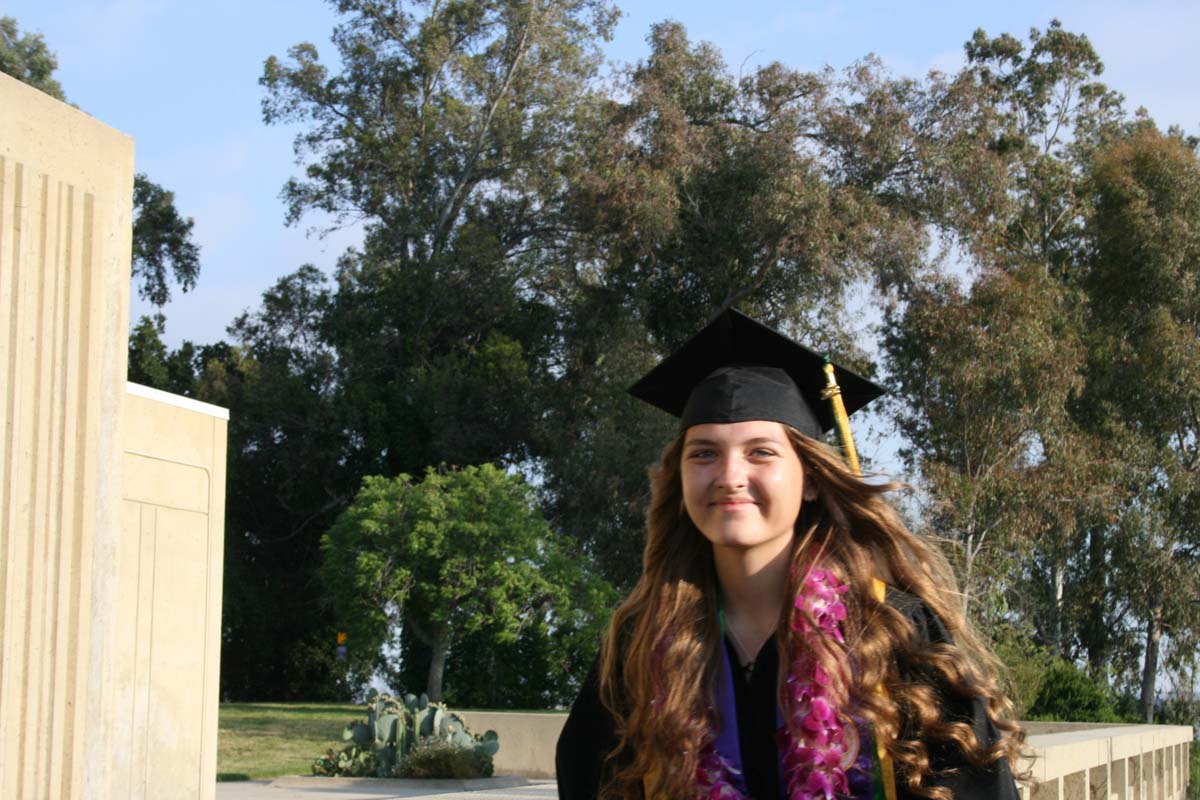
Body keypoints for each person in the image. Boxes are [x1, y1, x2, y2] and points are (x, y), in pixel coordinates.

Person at [555, 309, 1024, 800]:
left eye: (761, 452)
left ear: (812, 480)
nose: (729, 476)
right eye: (704, 453)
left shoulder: (891, 632)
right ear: (680, 478)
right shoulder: (642, 646)